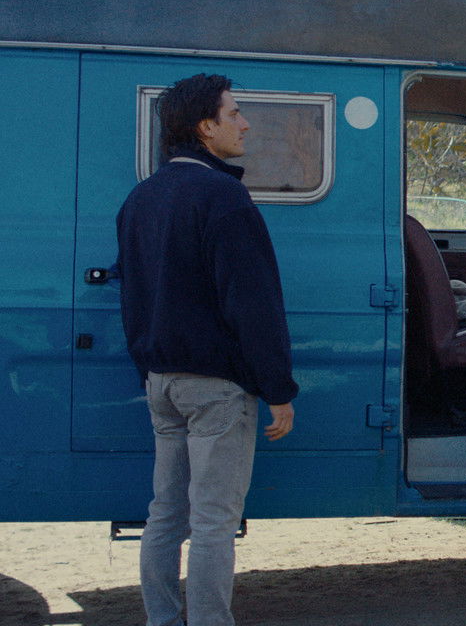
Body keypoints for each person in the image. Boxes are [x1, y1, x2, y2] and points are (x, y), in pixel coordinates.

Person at [116, 73, 299, 626]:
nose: (245, 124)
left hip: (162, 383)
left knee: (164, 515)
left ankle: (163, 619)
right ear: (205, 127)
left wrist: (148, 370)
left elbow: (132, 299)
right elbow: (253, 304)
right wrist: (278, 389)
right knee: (214, 521)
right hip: (217, 389)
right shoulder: (224, 197)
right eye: (234, 113)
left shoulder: (140, 198)